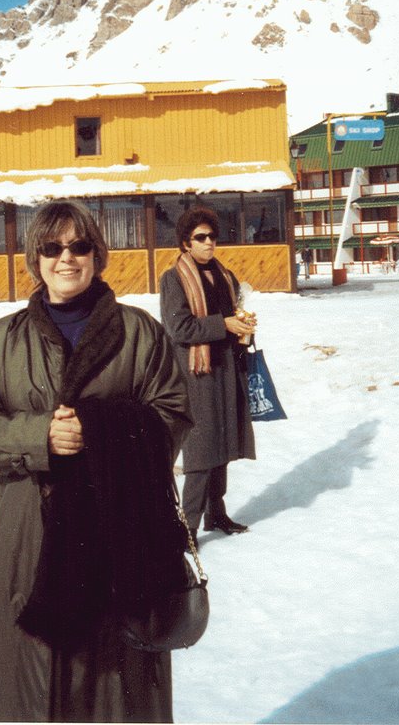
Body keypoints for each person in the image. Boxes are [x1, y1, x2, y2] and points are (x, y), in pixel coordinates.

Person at [0, 200, 192, 723]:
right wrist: (40, 435)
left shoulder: (140, 333)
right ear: (34, 258)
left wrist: (100, 432)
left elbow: (173, 414)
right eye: (52, 247)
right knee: (25, 685)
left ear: (97, 255)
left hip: (119, 535)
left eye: (79, 246)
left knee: (112, 685)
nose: (66, 258)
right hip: (26, 539)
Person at [159, 206, 256, 549]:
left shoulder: (223, 275)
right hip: (196, 373)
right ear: (186, 243)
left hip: (226, 367)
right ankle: (187, 526)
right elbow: (178, 327)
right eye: (201, 237)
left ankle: (217, 512)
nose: (209, 243)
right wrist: (223, 324)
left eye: (212, 236)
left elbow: (229, 317)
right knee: (201, 449)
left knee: (225, 442)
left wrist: (242, 327)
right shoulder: (175, 278)